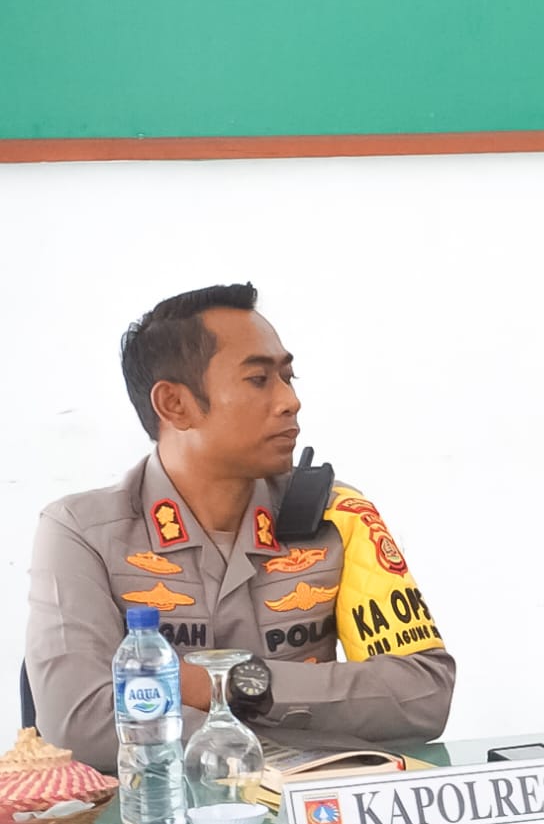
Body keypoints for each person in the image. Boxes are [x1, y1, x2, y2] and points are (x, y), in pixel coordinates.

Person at [26, 284, 454, 771]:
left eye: (288, 377)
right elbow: (80, 723)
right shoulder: (82, 532)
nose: (290, 401)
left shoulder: (340, 515)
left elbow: (424, 693)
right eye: (259, 380)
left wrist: (238, 683)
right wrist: (262, 750)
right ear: (175, 404)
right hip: (163, 813)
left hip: (316, 808)